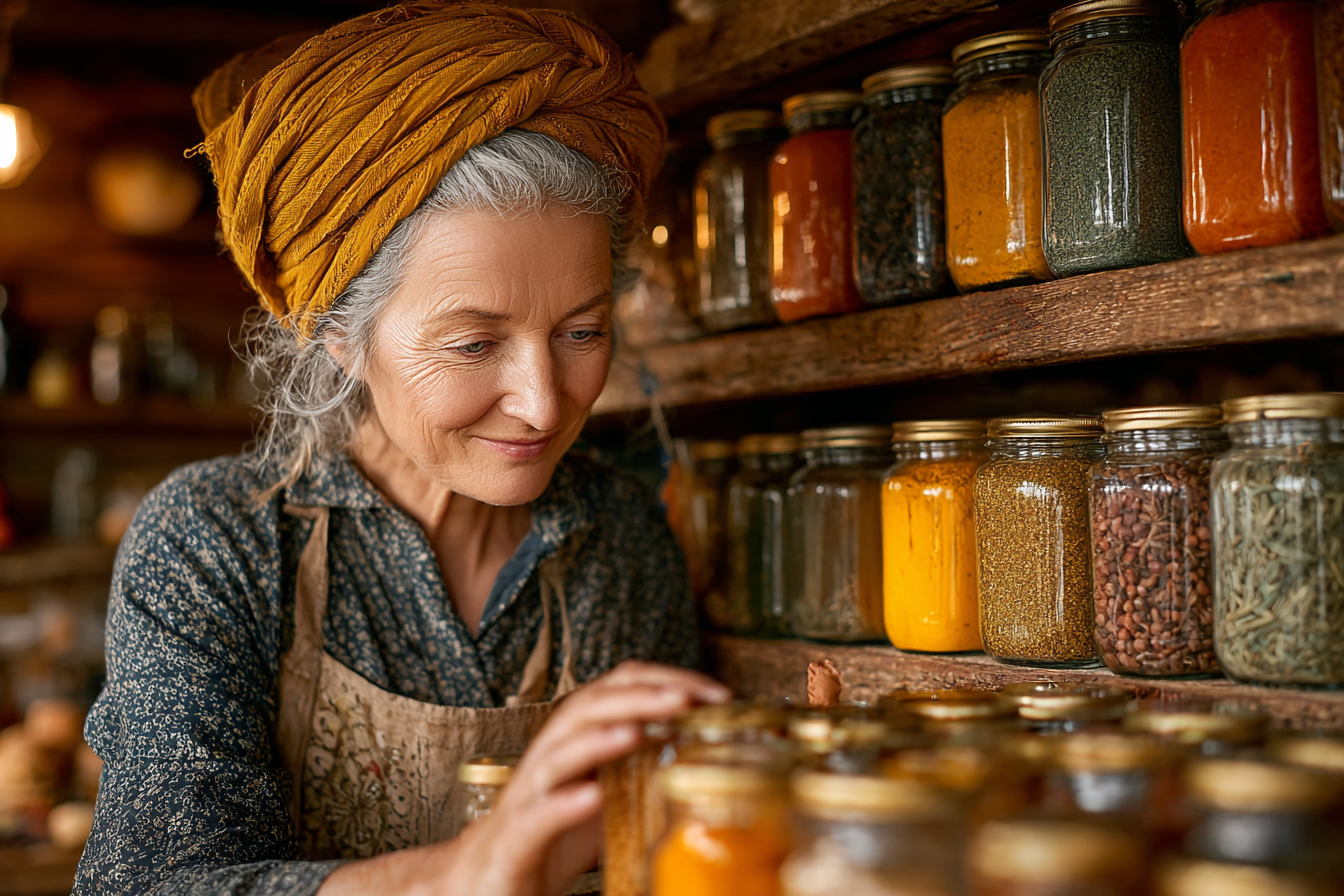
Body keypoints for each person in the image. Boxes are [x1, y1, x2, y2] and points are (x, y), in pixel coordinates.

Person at [72, 5, 719, 894]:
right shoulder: (217, 542)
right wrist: (466, 871)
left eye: (581, 332)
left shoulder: (616, 543)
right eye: (473, 344)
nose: (541, 405)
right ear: (340, 333)